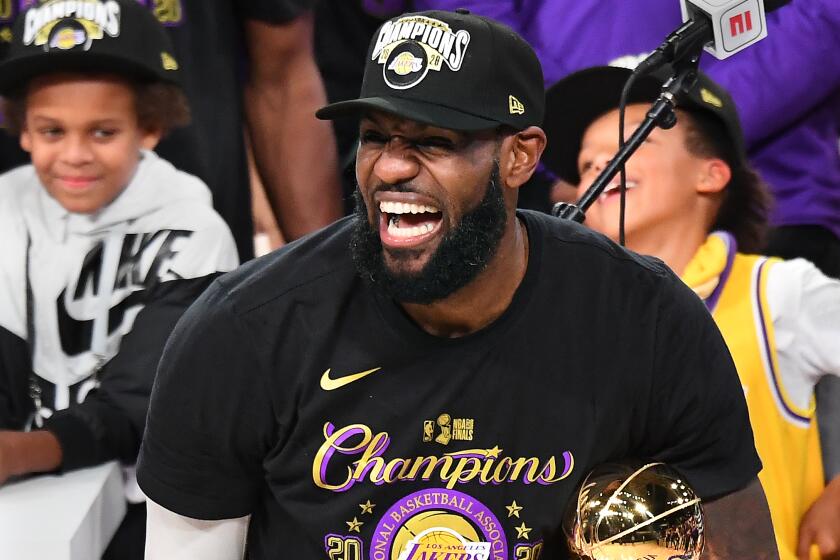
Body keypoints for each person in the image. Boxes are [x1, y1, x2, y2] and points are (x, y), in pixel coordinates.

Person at [137, 10, 778, 559]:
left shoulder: (643, 316)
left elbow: (738, 527)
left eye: (433, 142)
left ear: (519, 156)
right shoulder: (245, 328)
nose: (390, 167)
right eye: (374, 138)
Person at [541, 65, 840, 560]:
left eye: (632, 144)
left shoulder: (776, 291)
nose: (600, 170)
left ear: (712, 172)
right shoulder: (562, 318)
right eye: (587, 166)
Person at [0, 1, 238, 557]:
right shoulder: (6, 206)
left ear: (149, 127)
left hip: (151, 503)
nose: (75, 155)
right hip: (30, 495)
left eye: (103, 132)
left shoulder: (193, 227)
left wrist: (18, 453)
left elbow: (146, 402)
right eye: (52, 130)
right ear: (23, 131)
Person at [0, 0, 343, 261]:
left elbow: (283, 72)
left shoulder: (199, 229)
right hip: (19, 236)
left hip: (190, 248)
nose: (75, 154)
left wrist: (328, 277)